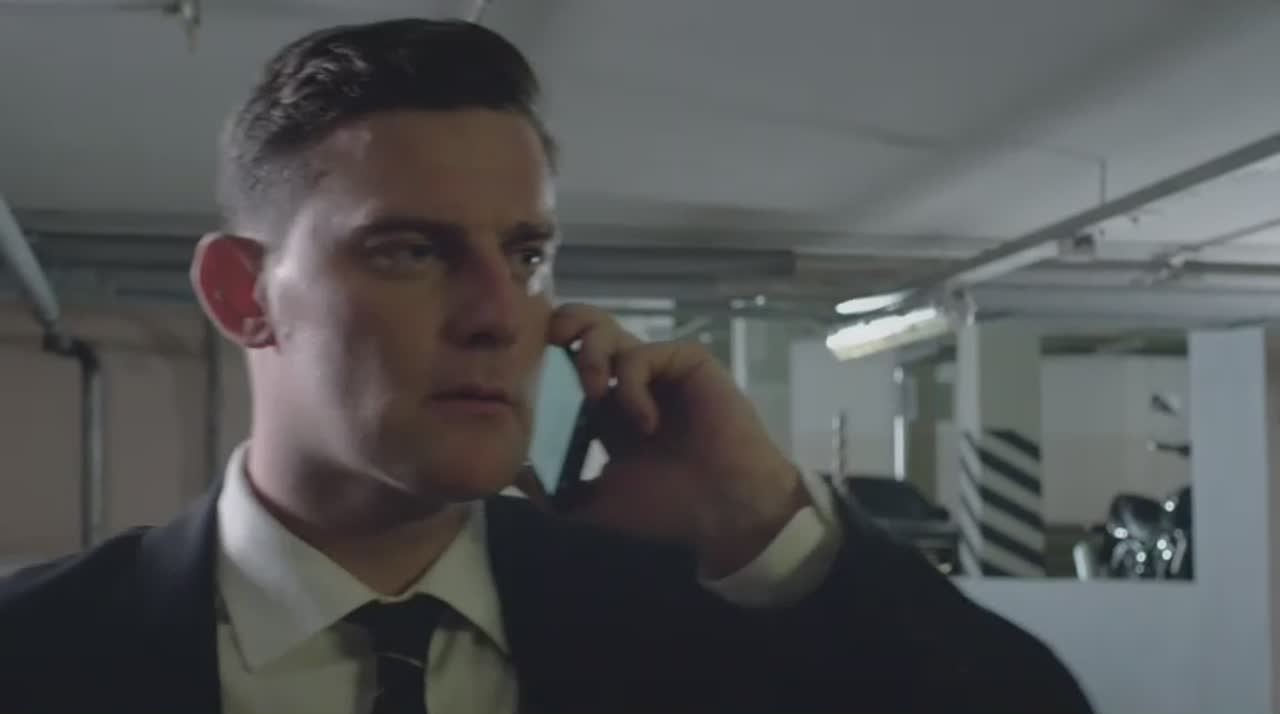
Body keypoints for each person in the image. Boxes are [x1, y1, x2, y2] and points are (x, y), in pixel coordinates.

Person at [0, 18, 1092, 714]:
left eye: (525, 256)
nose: (498, 315)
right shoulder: (37, 653)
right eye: (411, 250)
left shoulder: (682, 628)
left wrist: (764, 523)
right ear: (244, 295)